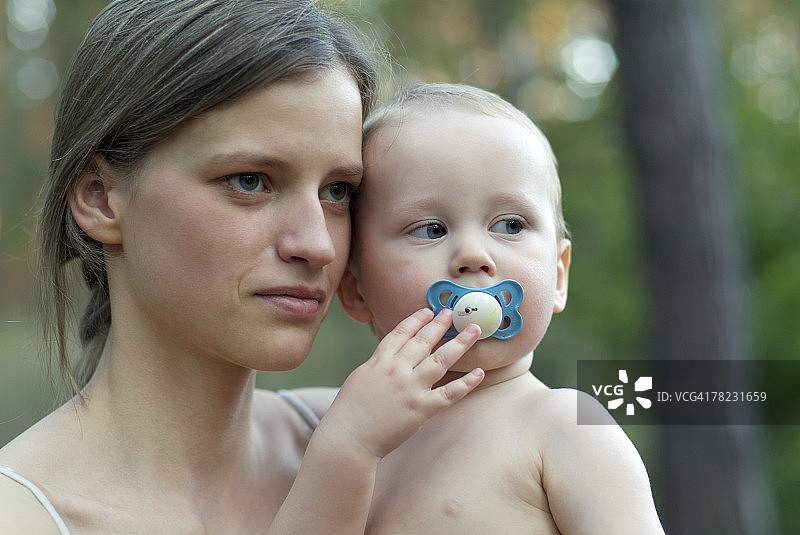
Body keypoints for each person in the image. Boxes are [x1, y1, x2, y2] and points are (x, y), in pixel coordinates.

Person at [0, 3, 486, 533]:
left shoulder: (392, 442)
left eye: (337, 192)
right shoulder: (24, 515)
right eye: (250, 181)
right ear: (100, 198)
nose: (318, 245)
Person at [337, 82, 666, 534]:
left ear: (558, 276)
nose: (473, 253)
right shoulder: (352, 442)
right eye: (431, 229)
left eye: (510, 224)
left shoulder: (564, 427)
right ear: (355, 290)